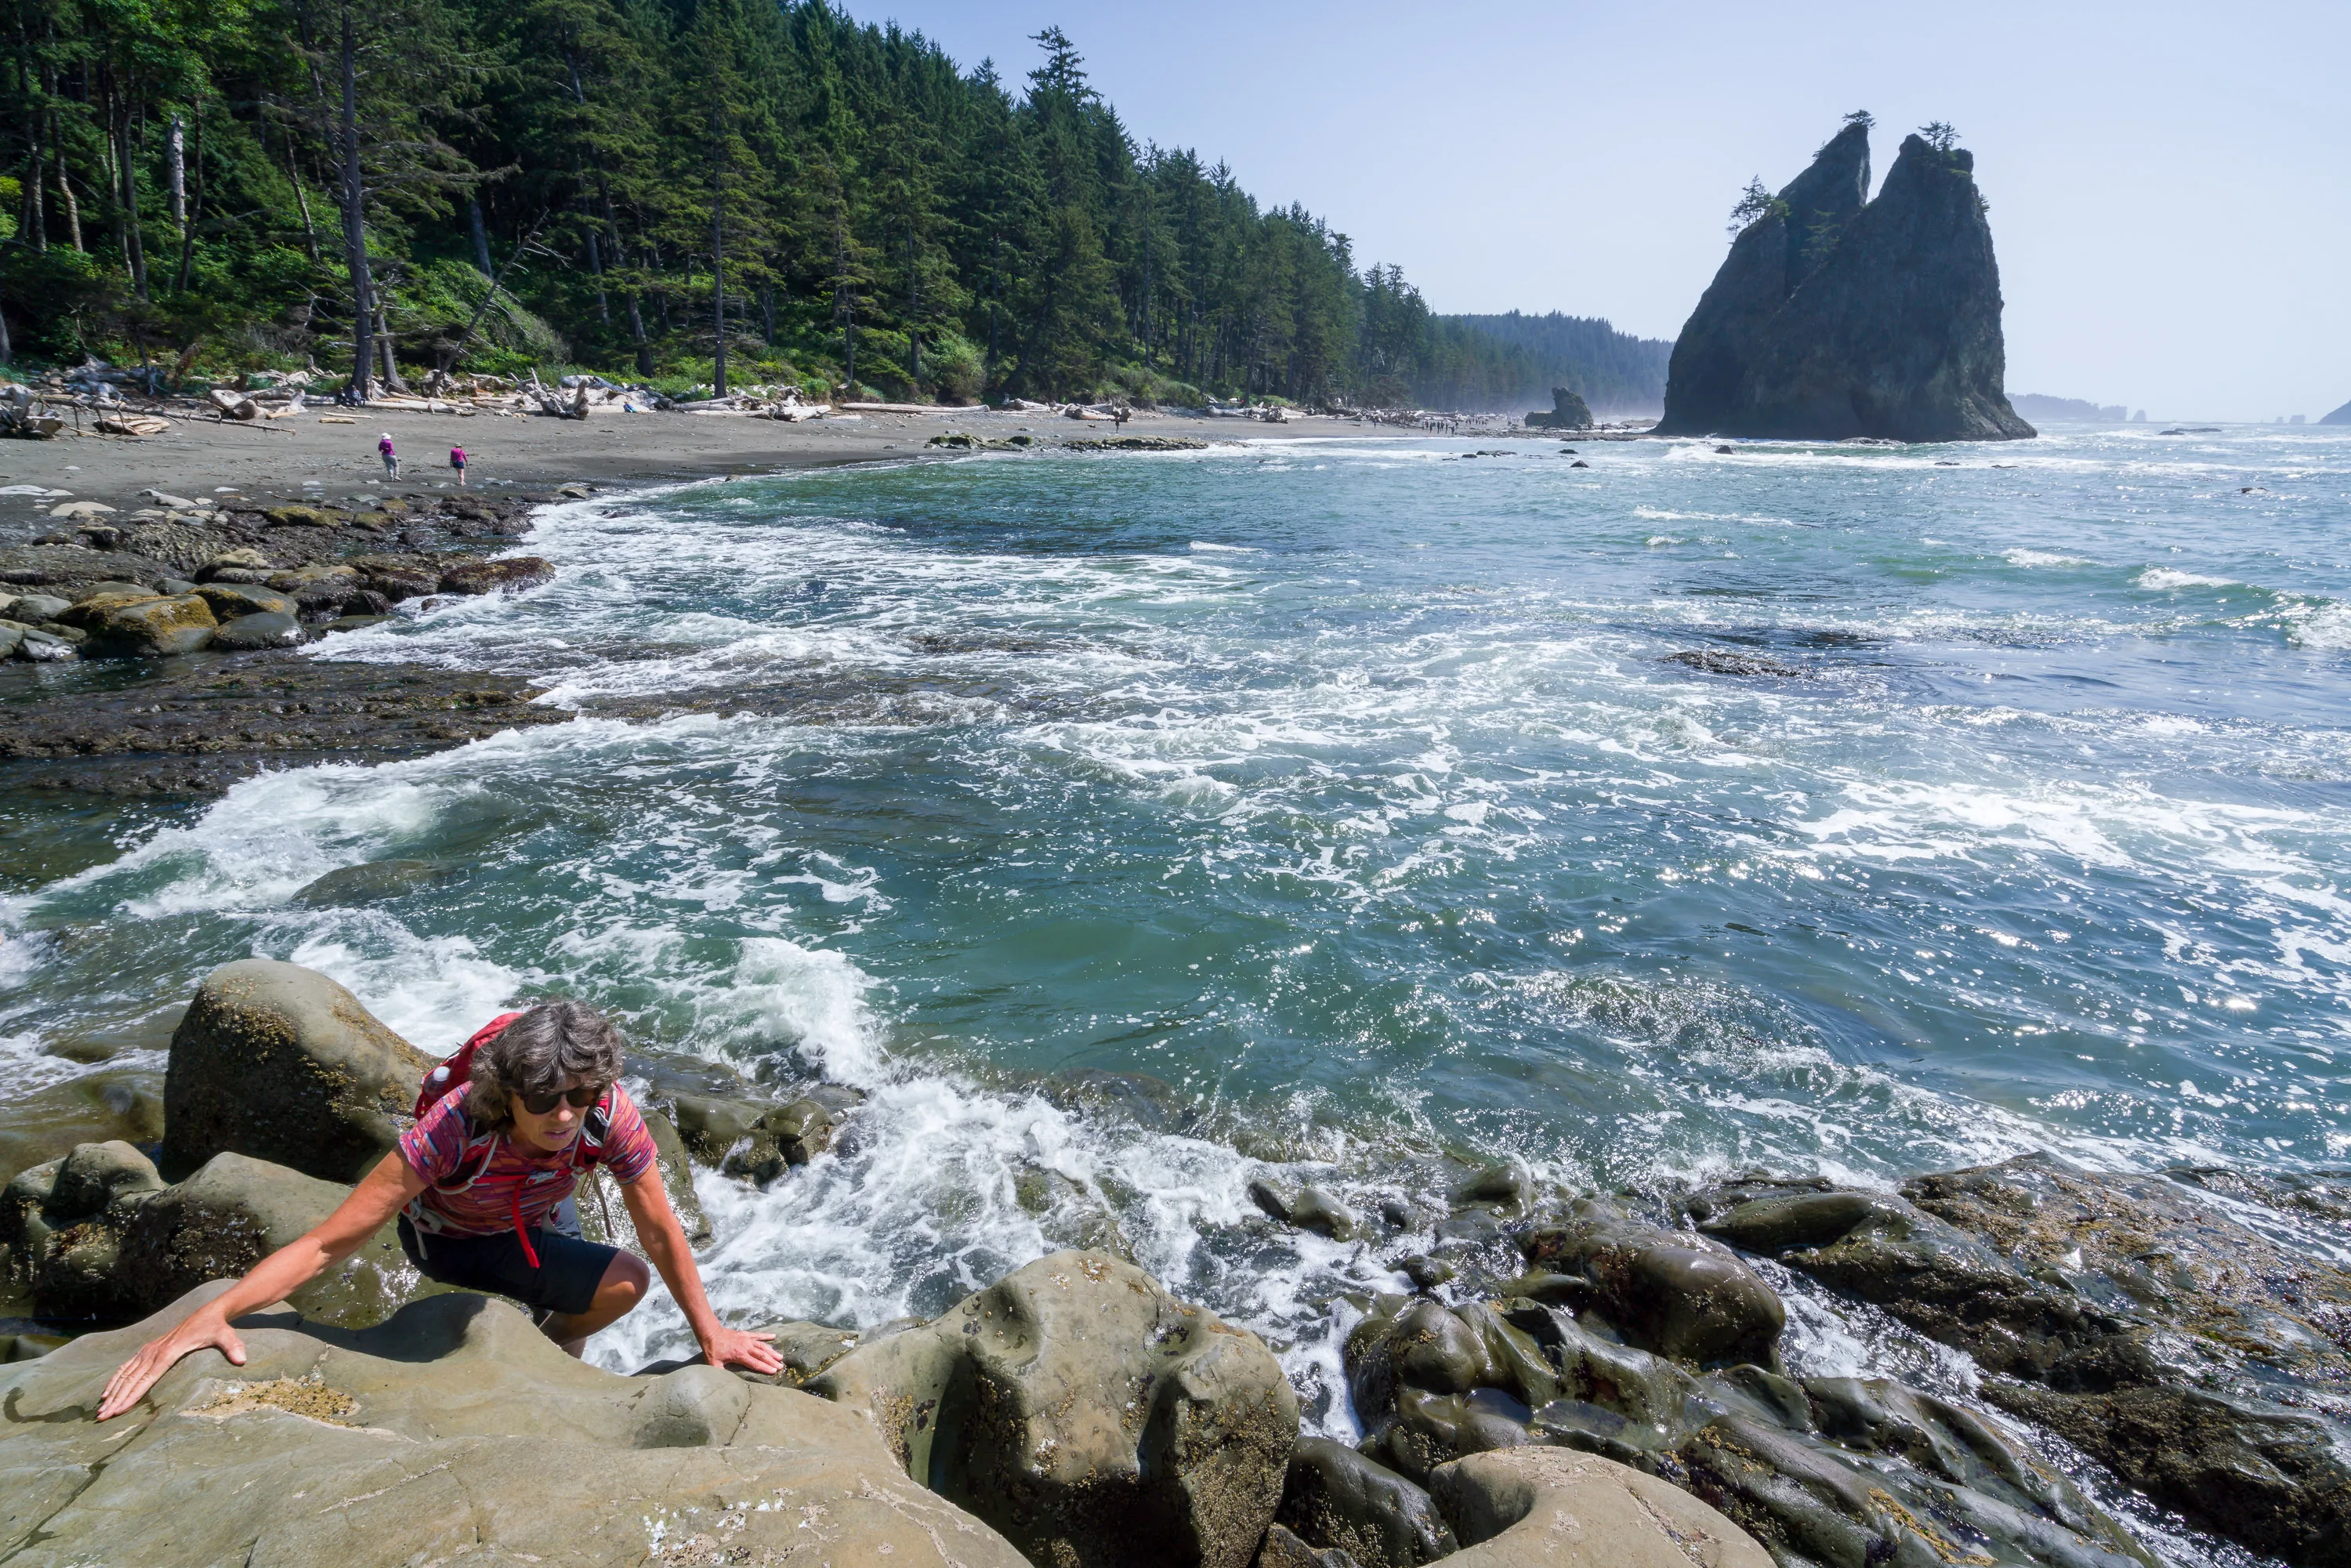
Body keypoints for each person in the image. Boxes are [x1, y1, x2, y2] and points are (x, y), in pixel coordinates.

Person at [96, 1001, 780, 1421]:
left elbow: (660, 1223)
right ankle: (530, 1363)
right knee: (624, 1276)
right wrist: (212, 1313)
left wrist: (712, 1333)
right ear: (507, 1093)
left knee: (604, 1296)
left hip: (539, 1210)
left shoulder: (605, 1114)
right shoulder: (457, 1126)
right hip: (453, 1235)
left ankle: (542, 1369)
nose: (564, 1114)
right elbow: (334, 1240)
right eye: (543, 1100)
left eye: (580, 1093)